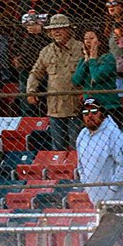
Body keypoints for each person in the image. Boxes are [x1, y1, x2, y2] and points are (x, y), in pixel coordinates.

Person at [28, 14, 84, 150]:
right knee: (58, 148)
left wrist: (87, 91)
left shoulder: (81, 48)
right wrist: (31, 91)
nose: (56, 32)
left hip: (76, 106)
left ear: (69, 29)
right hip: (54, 108)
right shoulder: (46, 51)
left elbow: (91, 72)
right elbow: (35, 73)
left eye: (60, 28)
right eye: (53, 29)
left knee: (78, 147)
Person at [75, 98, 123, 206]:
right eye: (85, 112)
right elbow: (80, 165)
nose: (90, 115)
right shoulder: (82, 135)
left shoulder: (113, 133)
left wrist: (112, 190)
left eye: (94, 111)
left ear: (102, 113)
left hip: (121, 199)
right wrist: (87, 185)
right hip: (96, 199)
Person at [73, 29, 119, 112]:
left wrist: (92, 60)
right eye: (86, 38)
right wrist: (86, 62)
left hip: (107, 106)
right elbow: (76, 81)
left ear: (100, 41)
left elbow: (97, 77)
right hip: (89, 106)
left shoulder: (108, 58)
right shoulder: (84, 60)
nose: (88, 41)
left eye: (91, 38)